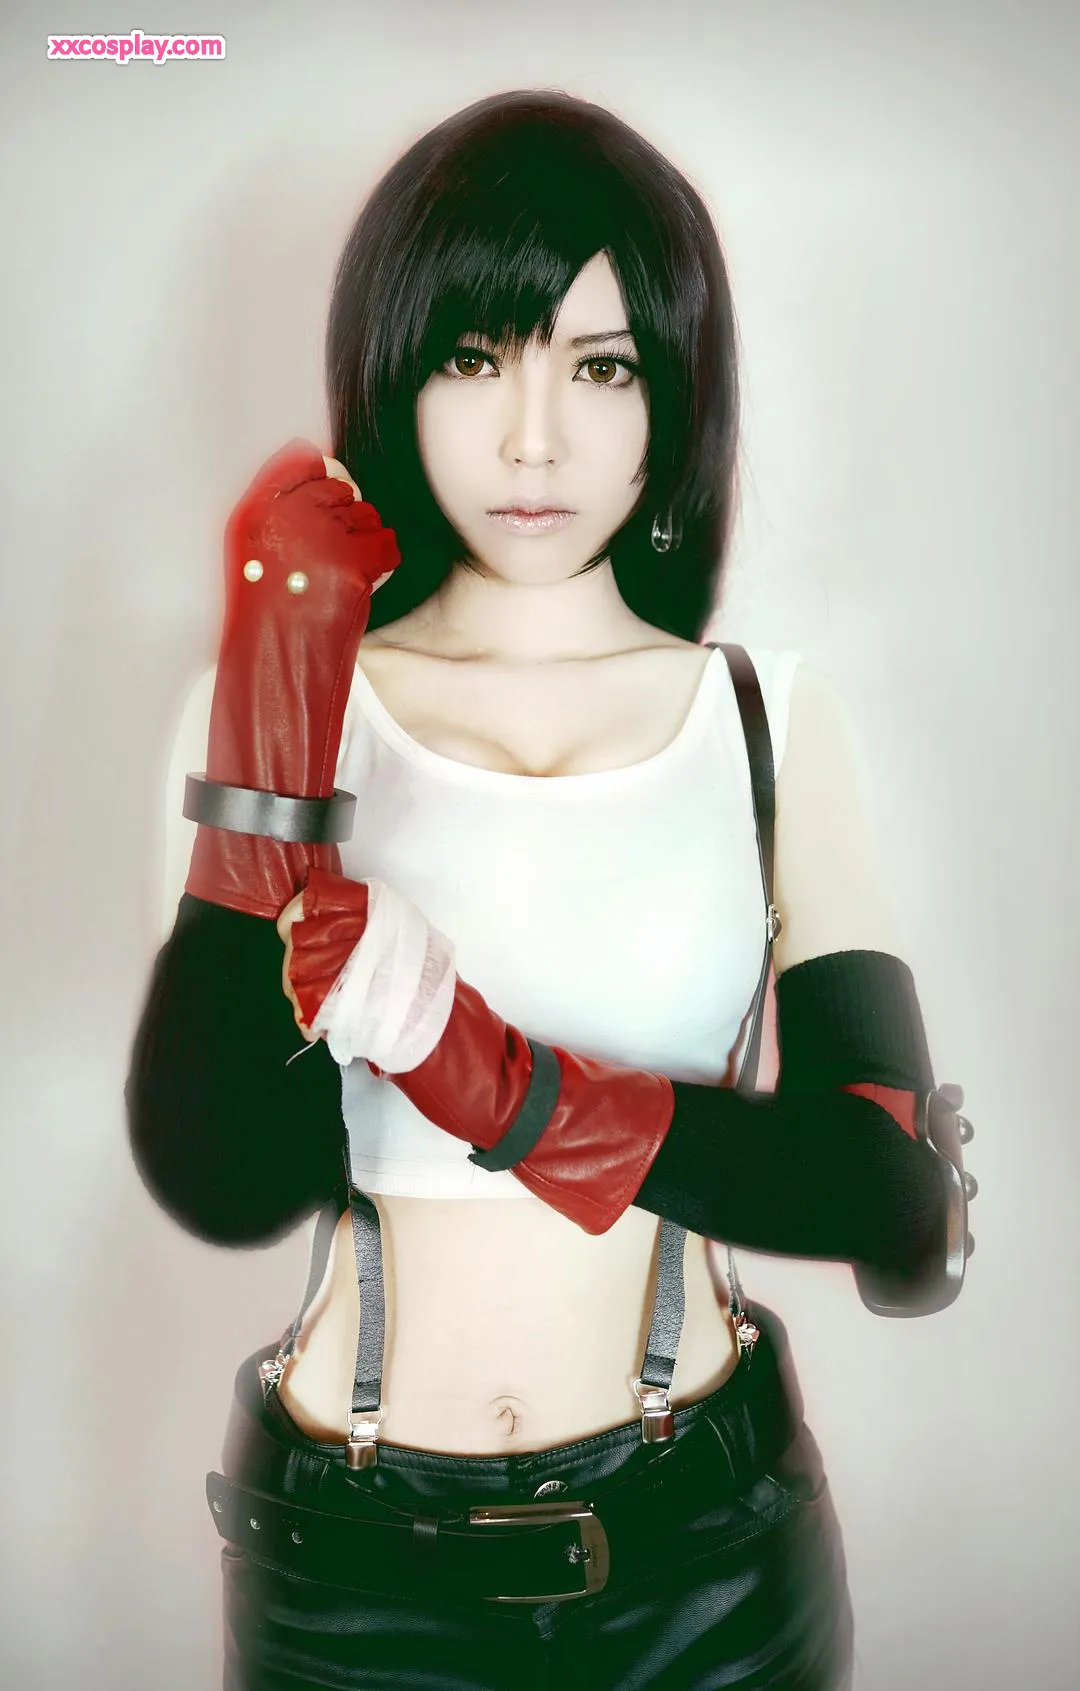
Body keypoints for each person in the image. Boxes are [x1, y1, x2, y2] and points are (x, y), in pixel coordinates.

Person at [126, 89, 975, 1690]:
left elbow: (893, 1199)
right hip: (347, 1572)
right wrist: (272, 719)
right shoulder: (280, 717)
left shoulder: (765, 720)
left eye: (600, 367)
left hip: (708, 1558)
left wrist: (481, 1067)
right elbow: (226, 1177)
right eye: (475, 359)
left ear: (677, 391)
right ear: (396, 373)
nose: (534, 439)